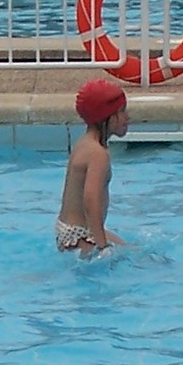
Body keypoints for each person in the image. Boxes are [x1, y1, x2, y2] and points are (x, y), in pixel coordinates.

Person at [57, 78, 128, 255]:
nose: (127, 117)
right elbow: (90, 200)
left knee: (134, 251)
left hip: (69, 230)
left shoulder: (85, 143)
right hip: (79, 236)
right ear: (106, 118)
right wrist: (102, 247)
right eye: (121, 111)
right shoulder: (98, 154)